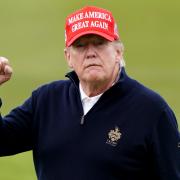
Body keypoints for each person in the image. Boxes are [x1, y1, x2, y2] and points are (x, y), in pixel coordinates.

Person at [0, 5, 180, 180]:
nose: (90, 53)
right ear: (68, 57)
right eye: (80, 45)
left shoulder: (152, 111)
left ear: (118, 52)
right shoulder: (46, 101)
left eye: (99, 43)